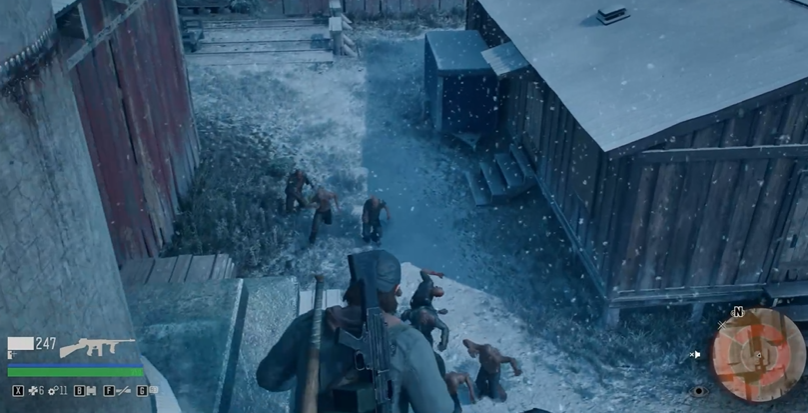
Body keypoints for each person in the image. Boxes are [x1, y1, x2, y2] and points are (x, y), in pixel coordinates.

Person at [255, 250, 454, 413]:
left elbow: (269, 380)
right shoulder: (409, 342)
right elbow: (438, 409)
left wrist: (306, 372)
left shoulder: (309, 324)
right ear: (395, 289)